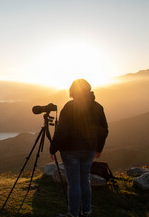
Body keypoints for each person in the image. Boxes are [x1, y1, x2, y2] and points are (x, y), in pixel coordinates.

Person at [50, 79, 108, 217]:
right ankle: (87, 211)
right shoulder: (98, 107)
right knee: (85, 180)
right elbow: (104, 130)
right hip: (89, 149)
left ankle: (73, 214)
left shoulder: (69, 107)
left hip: (70, 150)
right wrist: (99, 148)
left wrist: (53, 148)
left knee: (74, 183)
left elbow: (62, 130)